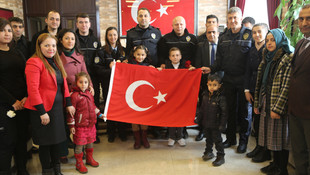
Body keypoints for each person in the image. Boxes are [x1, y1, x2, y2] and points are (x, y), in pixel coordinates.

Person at [202, 7, 252, 153]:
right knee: (229, 110)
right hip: (228, 79)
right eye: (230, 18)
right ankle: (230, 139)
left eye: (235, 18)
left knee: (244, 113)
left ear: (241, 18)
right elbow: (219, 61)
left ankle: (243, 141)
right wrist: (211, 68)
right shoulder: (223, 37)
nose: (233, 21)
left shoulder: (249, 35)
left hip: (244, 80)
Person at [24, 33, 75, 175]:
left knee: (57, 142)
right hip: (42, 110)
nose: (50, 48)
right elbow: (33, 89)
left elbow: (63, 84)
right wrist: (42, 112)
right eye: (46, 45)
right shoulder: (34, 62)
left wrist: (69, 103)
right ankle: (47, 171)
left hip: (57, 109)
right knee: (45, 144)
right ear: (39, 46)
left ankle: (57, 170)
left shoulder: (56, 61)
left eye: (53, 45)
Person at [254, 28, 294, 175]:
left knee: (280, 138)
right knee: (271, 136)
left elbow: (286, 86)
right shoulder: (267, 57)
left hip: (278, 103)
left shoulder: (286, 58)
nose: (269, 43)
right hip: (267, 100)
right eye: (268, 40)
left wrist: (277, 108)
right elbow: (261, 82)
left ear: (279, 40)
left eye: (273, 40)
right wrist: (258, 103)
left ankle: (282, 168)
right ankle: (275, 163)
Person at [57, 28, 93, 163]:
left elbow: (86, 73)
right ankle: (63, 152)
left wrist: (90, 87)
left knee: (79, 124)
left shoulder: (80, 55)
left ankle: (80, 150)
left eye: (72, 38)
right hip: (63, 94)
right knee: (64, 124)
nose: (70, 41)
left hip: (79, 95)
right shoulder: (56, 56)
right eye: (66, 38)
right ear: (61, 40)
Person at [158, 16, 198, 139]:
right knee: (170, 104)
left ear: (185, 25)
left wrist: (193, 68)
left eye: (181, 24)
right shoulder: (165, 39)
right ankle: (169, 130)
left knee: (184, 105)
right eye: (176, 24)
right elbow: (160, 54)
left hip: (186, 77)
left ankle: (183, 129)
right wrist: (163, 65)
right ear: (172, 25)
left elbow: (196, 55)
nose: (179, 26)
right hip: (170, 77)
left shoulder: (192, 38)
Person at [0, 17, 29, 175]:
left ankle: (22, 169)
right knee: (7, 141)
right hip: (5, 104)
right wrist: (13, 101)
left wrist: (25, 96)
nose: (7, 33)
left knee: (21, 139)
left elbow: (25, 76)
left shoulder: (17, 52)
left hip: (22, 103)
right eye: (3, 30)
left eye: (9, 30)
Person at [95, 27, 128, 143]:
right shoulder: (101, 51)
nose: (113, 37)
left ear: (118, 36)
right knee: (109, 109)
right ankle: (111, 133)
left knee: (122, 109)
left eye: (115, 35)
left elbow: (129, 69)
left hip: (122, 86)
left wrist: (121, 67)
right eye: (110, 35)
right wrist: (112, 70)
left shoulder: (124, 51)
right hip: (107, 85)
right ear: (106, 37)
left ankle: (122, 132)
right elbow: (98, 70)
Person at [244, 23, 271, 163]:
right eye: (254, 32)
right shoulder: (252, 49)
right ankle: (258, 147)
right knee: (256, 119)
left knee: (263, 121)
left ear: (266, 33)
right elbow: (247, 70)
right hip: (253, 88)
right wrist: (247, 90)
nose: (256, 35)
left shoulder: (269, 48)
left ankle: (265, 150)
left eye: (259, 32)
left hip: (265, 89)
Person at [288, 4, 310, 175]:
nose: (304, 23)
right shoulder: (301, 42)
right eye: (301, 18)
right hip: (295, 110)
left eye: (308, 18)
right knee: (299, 153)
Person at [67, 72, 102, 174]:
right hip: (80, 126)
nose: (83, 84)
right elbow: (70, 113)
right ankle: (79, 163)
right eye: (81, 82)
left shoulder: (89, 94)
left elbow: (93, 107)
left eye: (85, 82)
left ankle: (89, 159)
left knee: (90, 143)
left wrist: (100, 114)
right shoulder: (74, 96)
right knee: (79, 145)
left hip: (90, 125)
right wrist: (71, 125)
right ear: (76, 83)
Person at [75, 13, 102, 143]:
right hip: (78, 79)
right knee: (80, 106)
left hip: (93, 78)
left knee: (93, 104)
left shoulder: (95, 40)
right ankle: (80, 134)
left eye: (86, 22)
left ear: (90, 24)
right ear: (77, 24)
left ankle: (93, 133)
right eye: (81, 22)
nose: (84, 25)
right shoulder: (73, 38)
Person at [194, 25, 220, 142]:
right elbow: (198, 64)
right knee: (204, 107)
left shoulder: (223, 45)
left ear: (218, 33)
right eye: (209, 33)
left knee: (219, 108)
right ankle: (202, 130)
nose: (211, 35)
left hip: (221, 81)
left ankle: (216, 131)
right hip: (205, 82)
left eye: (214, 32)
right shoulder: (200, 46)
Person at [197, 74, 227, 167]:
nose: (212, 87)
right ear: (207, 84)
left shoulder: (221, 98)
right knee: (208, 139)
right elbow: (202, 109)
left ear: (219, 86)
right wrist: (199, 119)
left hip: (216, 124)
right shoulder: (205, 95)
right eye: (210, 85)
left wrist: (222, 125)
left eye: (215, 85)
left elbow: (224, 113)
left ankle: (221, 156)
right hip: (206, 123)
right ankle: (208, 152)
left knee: (217, 140)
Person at [127, 45, 152, 149]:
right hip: (132, 95)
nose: (140, 57)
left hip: (144, 95)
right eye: (138, 54)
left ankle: (144, 138)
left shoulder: (148, 65)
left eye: (142, 55)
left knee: (144, 118)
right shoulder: (128, 64)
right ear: (134, 54)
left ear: (145, 55)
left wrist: (154, 70)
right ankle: (137, 139)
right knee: (134, 118)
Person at [165, 47, 188, 147]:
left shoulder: (184, 68)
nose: (175, 57)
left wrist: (191, 71)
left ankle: (179, 136)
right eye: (173, 55)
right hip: (170, 97)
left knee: (180, 117)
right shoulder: (166, 68)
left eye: (177, 55)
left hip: (181, 97)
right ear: (170, 57)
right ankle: (171, 137)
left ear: (180, 56)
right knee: (171, 117)